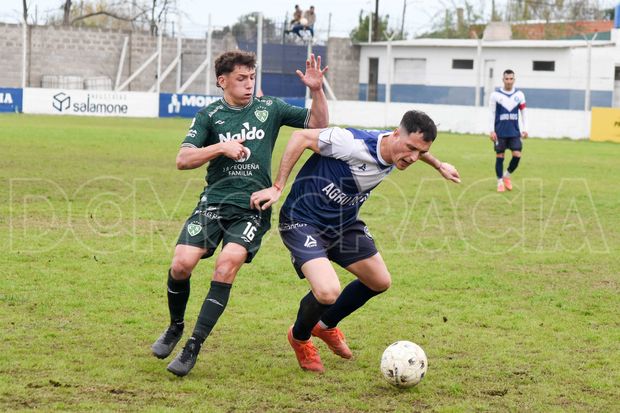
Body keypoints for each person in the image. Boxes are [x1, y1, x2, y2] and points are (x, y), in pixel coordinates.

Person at [150, 50, 328, 377]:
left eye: (251, 78)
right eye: (241, 79)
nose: (249, 85)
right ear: (222, 81)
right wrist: (221, 147)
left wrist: (317, 90)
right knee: (181, 264)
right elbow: (182, 159)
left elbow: (318, 125)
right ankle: (175, 326)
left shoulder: (269, 108)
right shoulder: (209, 116)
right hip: (214, 202)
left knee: (226, 264)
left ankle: (193, 345)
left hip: (252, 207)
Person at [249, 110, 461, 372]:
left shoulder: (401, 151)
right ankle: (300, 337)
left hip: (344, 224)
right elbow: (299, 137)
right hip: (303, 219)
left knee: (379, 281)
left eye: (420, 152)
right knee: (328, 292)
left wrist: (440, 165)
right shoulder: (349, 142)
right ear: (395, 134)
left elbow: (417, 148)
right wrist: (278, 186)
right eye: (410, 148)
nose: (413, 157)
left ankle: (324, 325)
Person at [489, 69, 527, 192]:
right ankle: (499, 182)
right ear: (503, 79)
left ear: (514, 80)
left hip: (514, 132)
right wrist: (491, 130)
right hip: (500, 132)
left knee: (517, 155)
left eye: (511, 79)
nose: (509, 81)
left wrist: (525, 129)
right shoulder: (495, 95)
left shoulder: (519, 95)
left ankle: (507, 176)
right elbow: (491, 113)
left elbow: (523, 113)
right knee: (500, 156)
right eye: (507, 79)